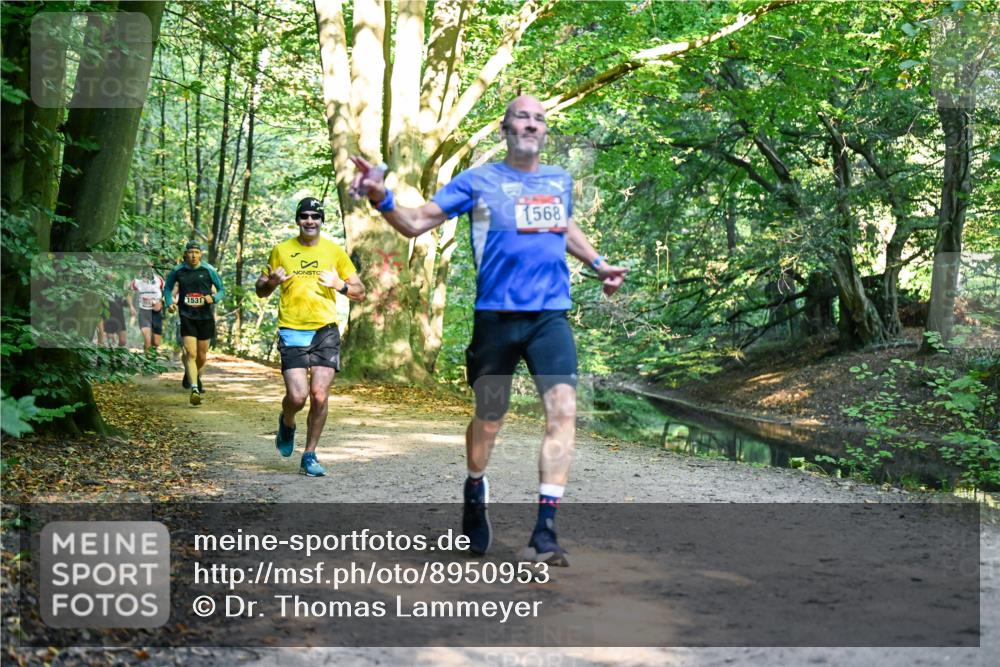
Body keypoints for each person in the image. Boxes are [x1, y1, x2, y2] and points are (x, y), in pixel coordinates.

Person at [350, 95, 627, 566]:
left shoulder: (558, 181)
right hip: (495, 318)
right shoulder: (479, 181)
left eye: (540, 118)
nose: (532, 124)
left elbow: (564, 225)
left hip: (549, 316)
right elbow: (416, 223)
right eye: (522, 116)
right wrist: (382, 197)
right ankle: (475, 485)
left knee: (563, 410)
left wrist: (598, 263)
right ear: (504, 129)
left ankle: (545, 531)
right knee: (489, 420)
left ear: (544, 132)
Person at [255, 197, 366, 477]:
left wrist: (339, 284)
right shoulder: (281, 250)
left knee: (319, 395)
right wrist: (271, 282)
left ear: (321, 220)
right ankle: (287, 421)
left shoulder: (334, 252)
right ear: (298, 220)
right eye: (304, 216)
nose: (309, 221)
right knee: (298, 395)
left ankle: (309, 455)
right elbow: (260, 289)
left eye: (315, 216)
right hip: (292, 329)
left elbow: (360, 291)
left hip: (325, 330)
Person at [164, 241, 225, 406]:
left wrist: (213, 298)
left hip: (205, 317)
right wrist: (169, 302)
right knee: (190, 353)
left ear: (200, 254)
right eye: (190, 252)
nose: (193, 255)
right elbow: (167, 289)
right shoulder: (178, 270)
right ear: (185, 254)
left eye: (196, 252)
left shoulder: (208, 270)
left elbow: (222, 290)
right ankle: (194, 389)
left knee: (201, 356)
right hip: (186, 315)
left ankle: (192, 374)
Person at [128, 267, 166, 352]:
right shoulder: (136, 282)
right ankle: (147, 361)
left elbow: (167, 291)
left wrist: (161, 302)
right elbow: (129, 294)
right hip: (144, 312)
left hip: (156, 313)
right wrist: (131, 306)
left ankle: (152, 359)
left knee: (156, 343)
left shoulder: (159, 280)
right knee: (147, 338)